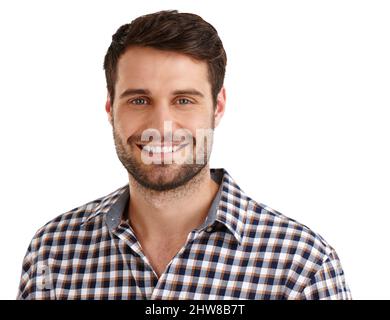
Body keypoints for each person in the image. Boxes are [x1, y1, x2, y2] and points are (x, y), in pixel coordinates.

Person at [17, 10, 352, 300]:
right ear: (110, 108)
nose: (161, 126)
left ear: (217, 107)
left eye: (184, 100)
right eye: (138, 100)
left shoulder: (302, 266)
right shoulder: (53, 250)